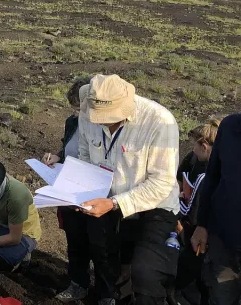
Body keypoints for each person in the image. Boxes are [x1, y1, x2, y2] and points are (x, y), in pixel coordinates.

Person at [78, 74, 180, 305]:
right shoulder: (87, 112)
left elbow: (161, 182)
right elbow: (85, 154)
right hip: (104, 197)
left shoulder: (159, 121)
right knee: (102, 254)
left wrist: (115, 204)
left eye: (107, 117)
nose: (101, 122)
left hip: (154, 205)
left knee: (146, 272)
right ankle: (110, 296)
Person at [40, 76, 118, 304]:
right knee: (75, 241)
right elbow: (69, 148)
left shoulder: (104, 124)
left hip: (98, 192)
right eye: (72, 108)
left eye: (78, 108)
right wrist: (57, 156)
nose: (75, 113)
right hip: (70, 189)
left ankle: (106, 294)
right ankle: (78, 284)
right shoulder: (72, 122)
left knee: (101, 246)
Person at [192, 114, 241, 305]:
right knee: (220, 297)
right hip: (223, 241)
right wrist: (201, 225)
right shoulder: (230, 126)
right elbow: (213, 177)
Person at [174, 119, 219, 305]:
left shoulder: (203, 176)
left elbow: (190, 211)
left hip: (196, 238)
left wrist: (175, 198)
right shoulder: (223, 169)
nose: (192, 150)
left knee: (190, 280)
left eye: (194, 146)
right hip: (217, 239)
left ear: (204, 146)